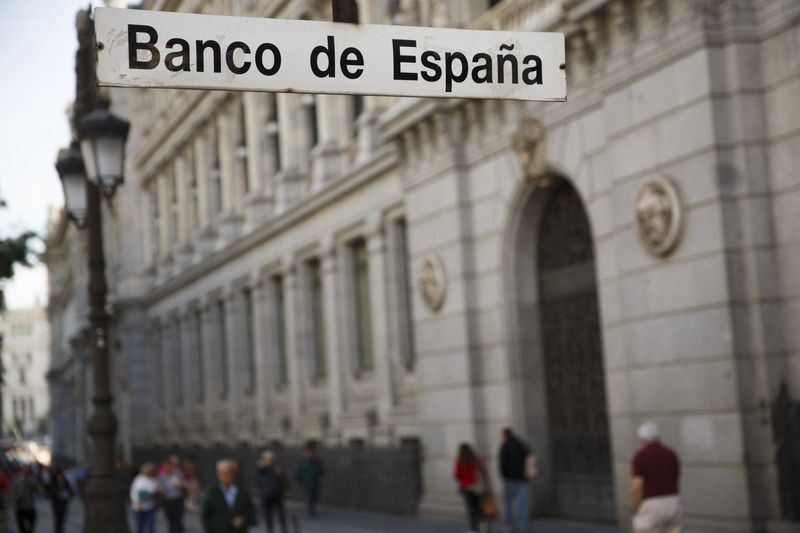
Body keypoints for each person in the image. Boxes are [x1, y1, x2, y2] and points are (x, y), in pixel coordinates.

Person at [631, 422, 681, 533]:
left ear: (642, 439)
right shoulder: (671, 454)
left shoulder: (640, 456)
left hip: (651, 505)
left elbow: (637, 487)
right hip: (673, 502)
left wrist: (635, 508)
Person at [202, 459, 256, 533]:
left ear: (233, 474)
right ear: (218, 475)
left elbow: (250, 511)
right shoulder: (212, 492)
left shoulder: (242, 491)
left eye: (228, 473)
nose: (226, 476)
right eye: (223, 473)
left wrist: (244, 519)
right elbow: (206, 516)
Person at [498, 428, 531, 530]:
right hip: (522, 479)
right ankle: (524, 525)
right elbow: (529, 459)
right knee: (523, 504)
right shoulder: (521, 444)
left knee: (507, 504)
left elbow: (502, 463)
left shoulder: (505, 446)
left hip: (509, 479)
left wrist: (504, 475)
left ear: (505, 436)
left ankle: (509, 525)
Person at [453, 443, 486, 533]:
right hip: (477, 487)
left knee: (471, 509)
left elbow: (457, 475)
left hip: (467, 487)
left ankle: (473, 529)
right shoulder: (476, 459)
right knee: (479, 507)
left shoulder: (460, 460)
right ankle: (483, 525)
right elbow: (483, 471)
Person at [257, 451, 288, 533]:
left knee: (280, 513)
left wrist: (280, 473)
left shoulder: (277, 468)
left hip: (277, 494)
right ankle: (269, 529)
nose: (270, 461)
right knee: (268, 514)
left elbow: (283, 480)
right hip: (266, 495)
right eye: (268, 459)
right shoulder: (262, 468)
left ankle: (283, 528)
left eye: (271, 459)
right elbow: (258, 478)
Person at [293, 442, 323, 518]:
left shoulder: (316, 460)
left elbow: (321, 470)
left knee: (315, 496)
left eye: (312, 452)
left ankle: (312, 508)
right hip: (307, 482)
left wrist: (318, 473)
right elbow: (298, 471)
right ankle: (311, 511)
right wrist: (300, 480)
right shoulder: (302, 460)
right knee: (309, 497)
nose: (311, 453)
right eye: (309, 452)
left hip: (315, 482)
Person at [159, 456, 188, 533]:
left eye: (169, 466)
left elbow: (185, 485)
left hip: (178, 499)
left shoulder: (178, 474)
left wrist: (181, 486)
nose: (167, 468)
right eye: (165, 466)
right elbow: (160, 486)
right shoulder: (162, 476)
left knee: (177, 520)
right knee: (170, 520)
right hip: (167, 500)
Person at [130, 462, 160, 533]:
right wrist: (136, 502)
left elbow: (157, 491)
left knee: (151, 527)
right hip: (139, 507)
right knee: (139, 527)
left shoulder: (154, 480)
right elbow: (134, 492)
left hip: (150, 506)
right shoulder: (139, 479)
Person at [13, 466, 39, 533]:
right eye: (23, 470)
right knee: (21, 527)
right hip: (20, 507)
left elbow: (37, 489)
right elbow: (14, 491)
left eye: (26, 470)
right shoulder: (17, 479)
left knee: (31, 526)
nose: (25, 472)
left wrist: (28, 479)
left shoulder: (32, 479)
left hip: (29, 507)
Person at [46, 469, 73, 533]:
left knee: (62, 519)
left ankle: (61, 530)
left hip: (64, 502)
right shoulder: (53, 483)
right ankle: (57, 530)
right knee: (58, 518)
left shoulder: (65, 482)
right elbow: (51, 492)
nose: (60, 477)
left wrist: (67, 496)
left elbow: (70, 491)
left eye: (61, 475)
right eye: (58, 476)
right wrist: (58, 496)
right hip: (56, 503)